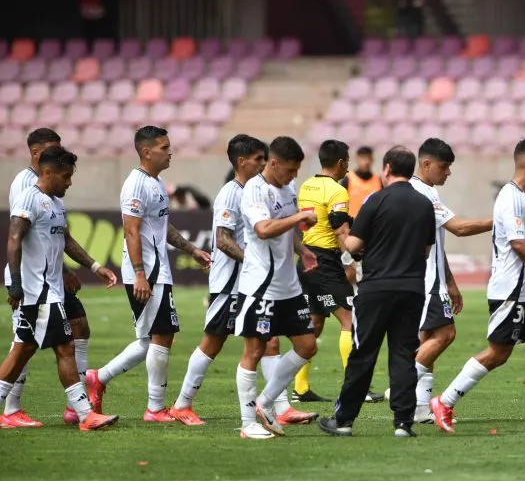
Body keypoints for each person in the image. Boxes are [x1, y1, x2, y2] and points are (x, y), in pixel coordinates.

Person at [431, 139, 525, 434]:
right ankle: (444, 402)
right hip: (509, 291)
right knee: (498, 353)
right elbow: (518, 244)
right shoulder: (509, 198)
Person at [85, 126, 212, 421]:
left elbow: (162, 227)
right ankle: (154, 408)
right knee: (162, 335)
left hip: (156, 269)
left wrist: (191, 249)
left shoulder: (156, 182)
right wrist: (140, 274)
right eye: (164, 147)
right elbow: (131, 231)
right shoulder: (135, 185)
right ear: (146, 152)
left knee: (151, 339)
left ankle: (98, 378)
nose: (170, 152)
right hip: (147, 271)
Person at [318, 146, 436, 438]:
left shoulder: (375, 200)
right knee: (403, 354)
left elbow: (354, 246)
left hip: (376, 288)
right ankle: (403, 423)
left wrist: (344, 233)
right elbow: (426, 250)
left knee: (363, 353)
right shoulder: (424, 204)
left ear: (386, 169)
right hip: (411, 288)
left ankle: (344, 420)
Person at [0, 146, 119, 432]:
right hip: (39, 293)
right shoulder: (30, 198)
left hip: (48, 291)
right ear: (48, 172)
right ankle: (84, 414)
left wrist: (94, 266)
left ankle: (82, 414)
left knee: (21, 352)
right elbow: (14, 240)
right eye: (65, 176)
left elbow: (66, 241)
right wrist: (16, 284)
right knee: (65, 348)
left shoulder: (55, 203)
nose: (69, 182)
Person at [234, 136, 320, 440]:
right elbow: (263, 229)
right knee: (255, 350)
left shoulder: (288, 187)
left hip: (289, 286)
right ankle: (248, 424)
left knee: (307, 346)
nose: (294, 175)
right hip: (261, 286)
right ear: (273, 163)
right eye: (290, 170)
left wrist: (302, 249)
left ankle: (266, 403)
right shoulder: (254, 190)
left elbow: (286, 226)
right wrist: (299, 217)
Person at [409, 138, 492, 425]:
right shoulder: (424, 194)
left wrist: (451, 282)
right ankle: (403, 382)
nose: (448, 173)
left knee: (427, 340)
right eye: (444, 167)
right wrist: (500, 219)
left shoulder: (418, 191)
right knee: (445, 335)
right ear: (426, 164)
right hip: (426, 280)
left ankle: (419, 408)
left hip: (426, 278)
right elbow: (458, 228)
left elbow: (436, 241)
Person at [292, 140, 356, 403]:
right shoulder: (338, 191)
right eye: (347, 161)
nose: (348, 167)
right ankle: (355, 387)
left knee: (315, 324)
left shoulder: (306, 184)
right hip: (325, 262)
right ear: (340, 163)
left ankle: (301, 388)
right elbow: (340, 228)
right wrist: (354, 259)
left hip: (305, 259)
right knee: (350, 320)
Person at [341, 146, 383, 220]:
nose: (366, 162)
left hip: (373, 224)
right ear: (357, 159)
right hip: (352, 224)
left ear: (372, 159)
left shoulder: (379, 180)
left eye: (369, 158)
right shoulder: (348, 179)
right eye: (363, 158)